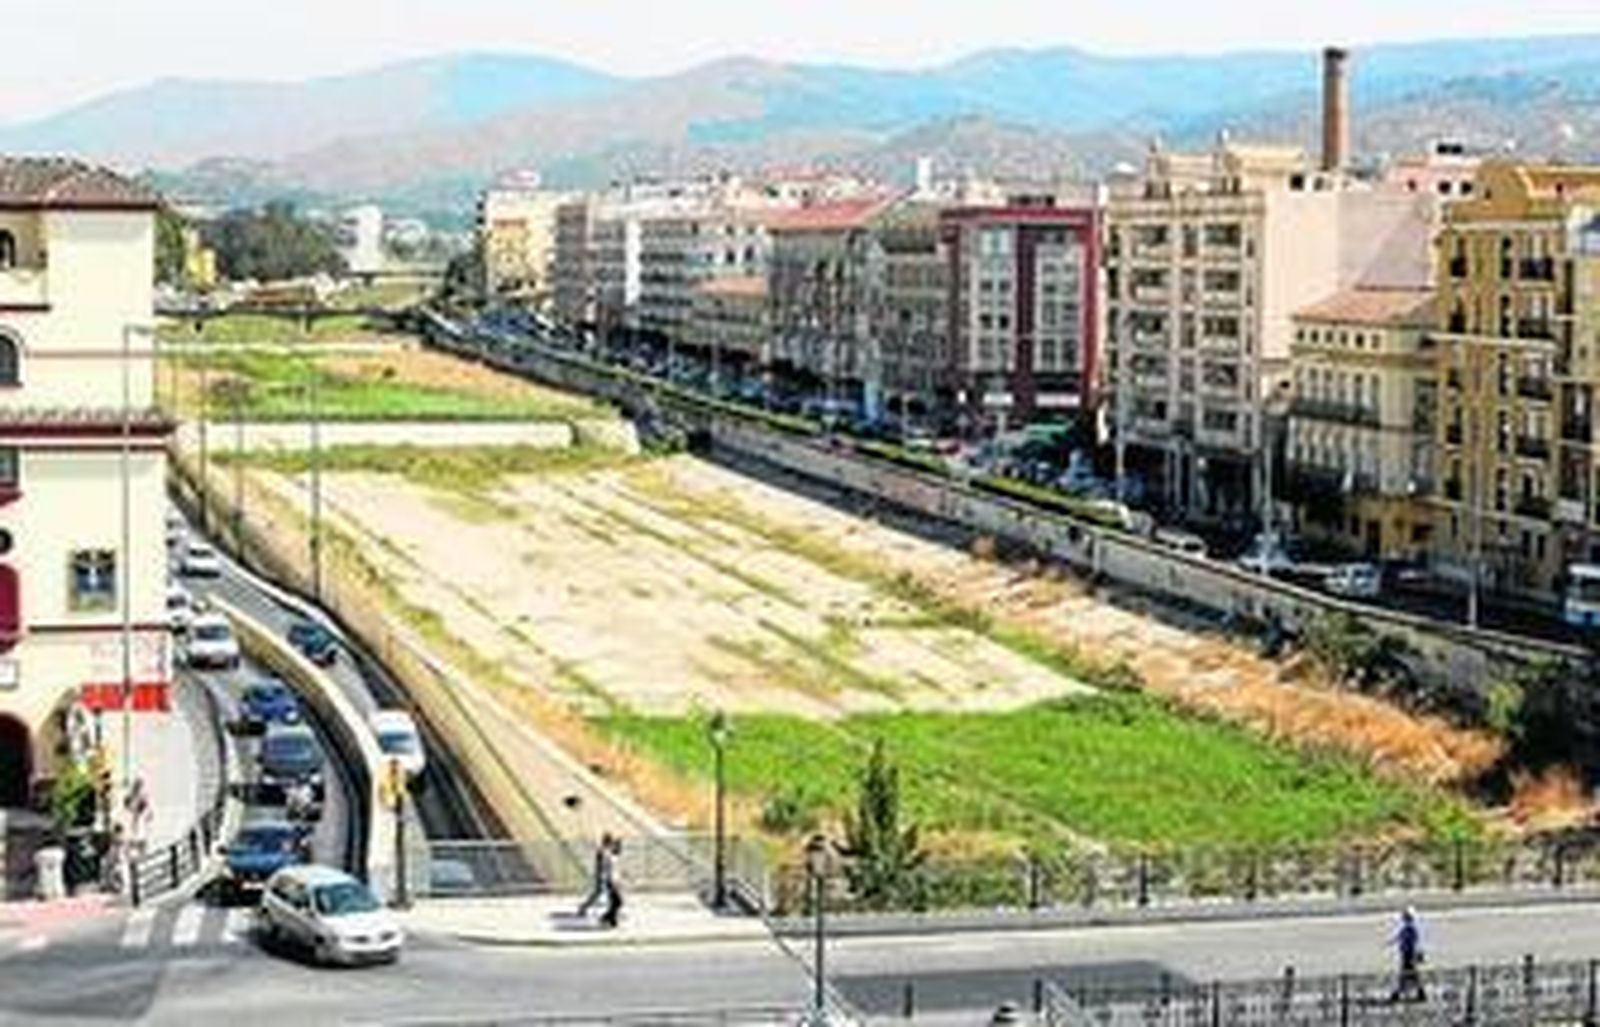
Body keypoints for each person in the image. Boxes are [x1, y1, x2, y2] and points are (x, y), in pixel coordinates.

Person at [1390, 907, 1426, 1002]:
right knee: (1410, 975)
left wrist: (1417, 953)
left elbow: (1412, 942)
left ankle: (1397, 994)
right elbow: (1400, 938)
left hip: (1408, 955)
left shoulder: (1410, 929)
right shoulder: (1408, 928)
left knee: (1407, 975)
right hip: (1407, 955)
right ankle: (1419, 993)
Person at [577, 833, 614, 918]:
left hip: (604, 876)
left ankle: (609, 911)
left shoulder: (605, 851)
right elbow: (603, 865)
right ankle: (584, 907)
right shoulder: (603, 852)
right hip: (602, 876)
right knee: (599, 894)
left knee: (604, 894)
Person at [599, 836, 624, 929]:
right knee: (618, 902)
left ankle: (611, 919)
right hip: (611, 881)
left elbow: (617, 871)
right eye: (617, 847)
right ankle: (607, 917)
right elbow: (609, 870)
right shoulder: (609, 856)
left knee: (615, 902)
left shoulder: (614, 857)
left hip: (614, 881)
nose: (619, 849)